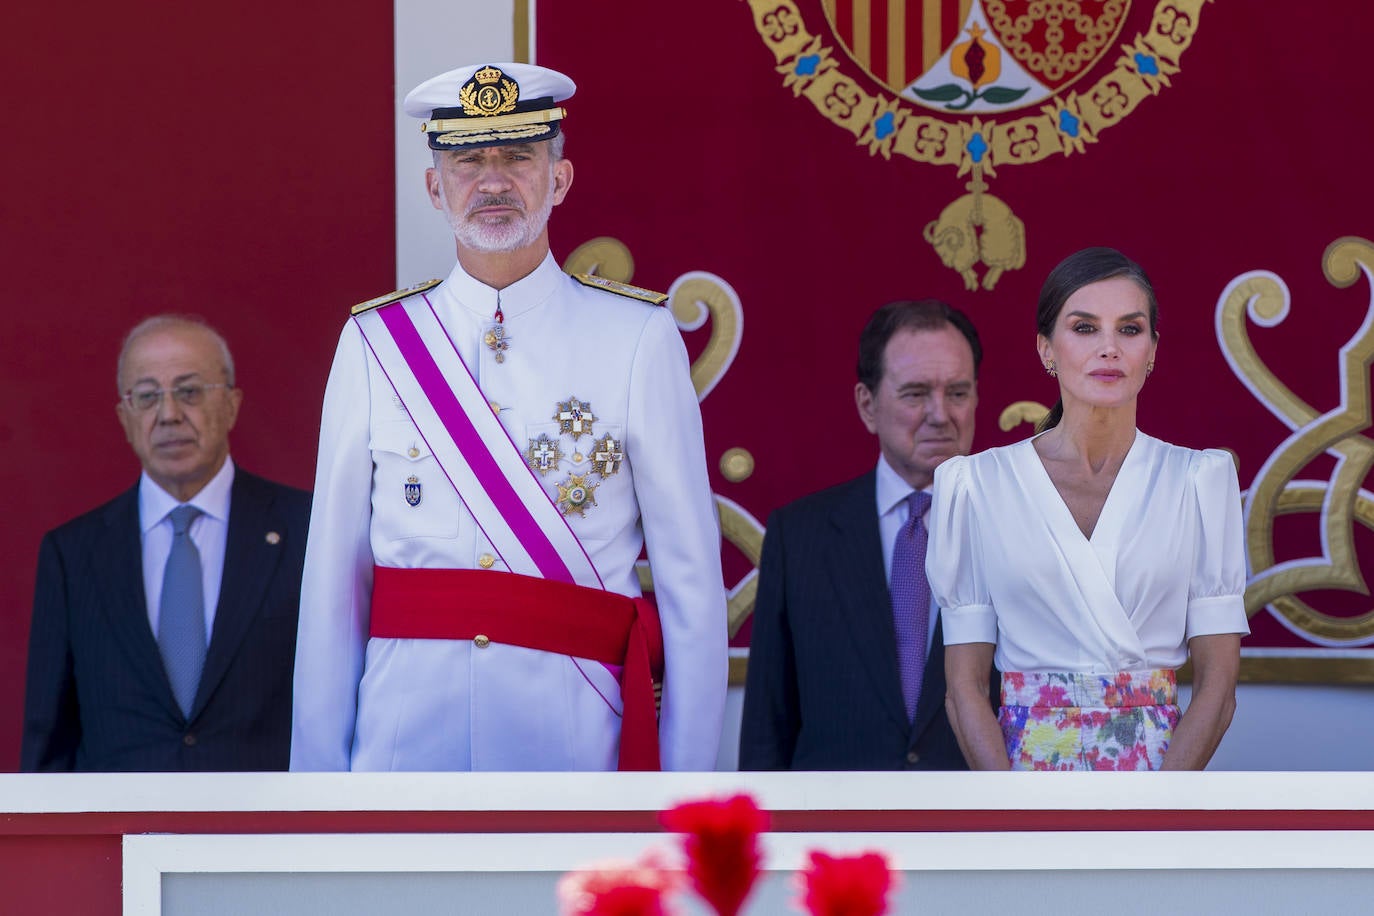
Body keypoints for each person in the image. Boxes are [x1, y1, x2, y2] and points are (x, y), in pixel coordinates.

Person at [290, 62, 726, 772]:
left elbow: (691, 589)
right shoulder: (376, 342)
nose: (493, 182)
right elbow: (334, 585)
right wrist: (320, 785)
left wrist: (684, 794)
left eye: (518, 157)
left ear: (558, 179)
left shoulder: (637, 338)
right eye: (467, 162)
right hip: (404, 746)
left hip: (577, 738)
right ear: (436, 187)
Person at [932, 247, 1249, 771]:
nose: (1109, 348)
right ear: (1045, 349)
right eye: (1084, 328)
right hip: (1022, 788)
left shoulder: (1198, 481)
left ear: (1152, 350)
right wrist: (1011, 820)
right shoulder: (976, 485)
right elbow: (963, 688)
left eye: (1129, 329)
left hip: (1158, 786)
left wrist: (1158, 814)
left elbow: (1219, 688)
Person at [21, 316, 311, 771]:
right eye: (147, 396)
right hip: (117, 834)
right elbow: (49, 739)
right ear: (125, 417)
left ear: (232, 405)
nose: (169, 414)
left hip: (266, 832)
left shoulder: (307, 531)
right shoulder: (72, 554)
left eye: (190, 391)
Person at [739, 299, 985, 770]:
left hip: (977, 830)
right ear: (868, 405)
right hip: (835, 829)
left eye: (957, 392)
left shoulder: (1016, 529)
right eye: (915, 394)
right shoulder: (800, 536)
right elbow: (767, 728)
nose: (939, 414)